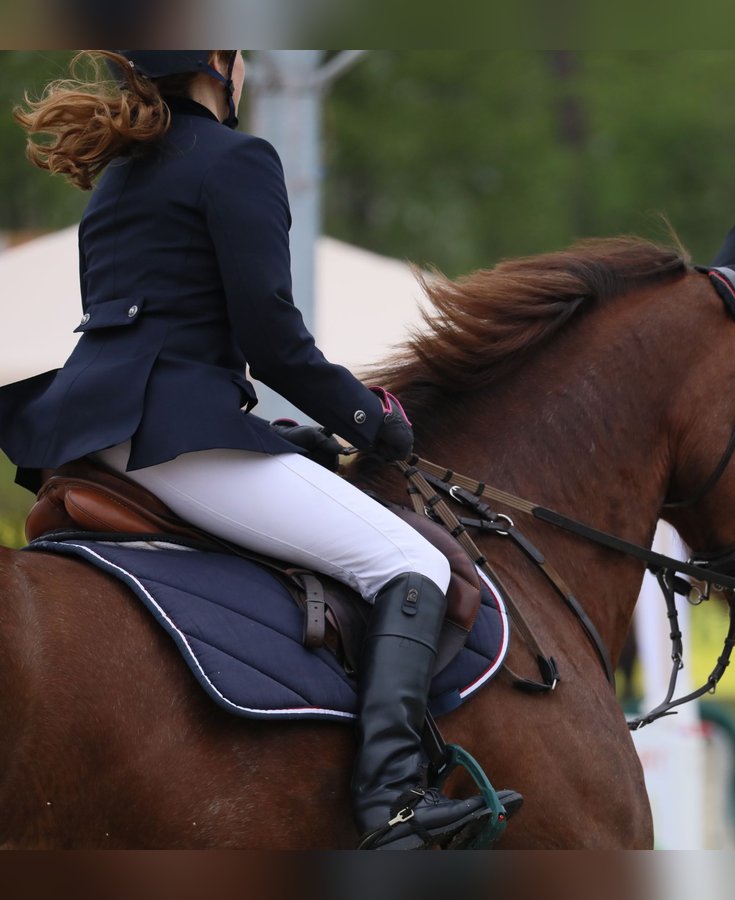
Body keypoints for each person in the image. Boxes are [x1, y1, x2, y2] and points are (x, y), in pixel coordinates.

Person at [0, 50, 520, 850]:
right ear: (220, 63)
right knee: (410, 565)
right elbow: (272, 343)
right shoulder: (239, 159)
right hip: (175, 443)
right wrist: (367, 416)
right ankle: (393, 803)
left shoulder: (121, 175)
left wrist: (282, 435)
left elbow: (167, 333)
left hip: (96, 435)